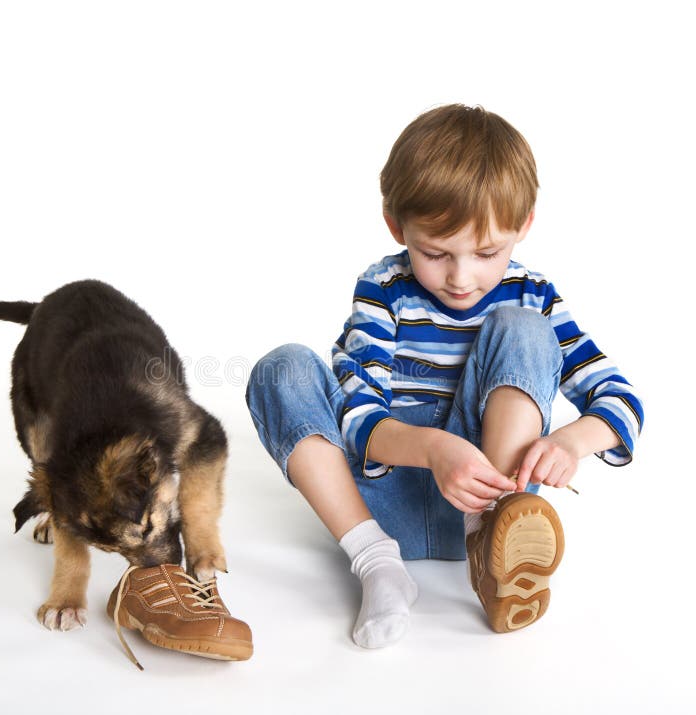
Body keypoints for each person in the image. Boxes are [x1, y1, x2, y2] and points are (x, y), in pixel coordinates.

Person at [245, 104, 643, 648]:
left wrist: (570, 442)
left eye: (487, 252)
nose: (461, 277)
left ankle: (492, 534)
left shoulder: (535, 295)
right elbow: (359, 418)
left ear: (524, 226)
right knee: (281, 368)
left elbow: (620, 400)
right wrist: (434, 450)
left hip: (484, 497)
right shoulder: (384, 289)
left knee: (523, 328)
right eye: (435, 253)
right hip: (382, 501)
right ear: (396, 226)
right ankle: (377, 564)